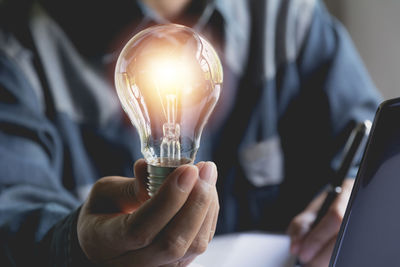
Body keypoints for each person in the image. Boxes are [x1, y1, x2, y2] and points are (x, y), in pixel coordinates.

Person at [0, 0, 381, 266]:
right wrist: (75, 246)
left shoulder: (290, 18)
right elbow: (12, 208)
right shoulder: (18, 49)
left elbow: (375, 149)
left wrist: (361, 200)